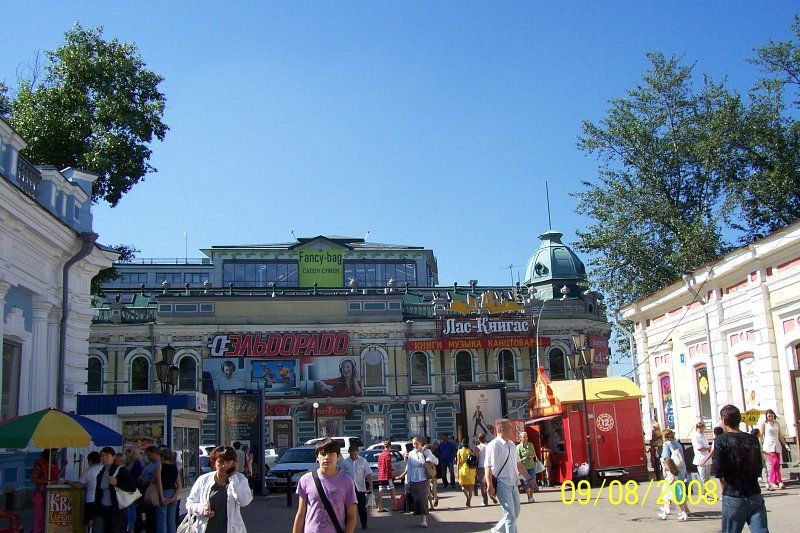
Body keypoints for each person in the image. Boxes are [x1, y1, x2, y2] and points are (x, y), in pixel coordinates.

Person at [715, 404, 768, 533]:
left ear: (724, 421)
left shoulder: (721, 440)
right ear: (739, 420)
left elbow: (719, 471)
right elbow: (758, 466)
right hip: (754, 493)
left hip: (733, 494)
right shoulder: (753, 439)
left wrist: (725, 491)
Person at [293, 438, 357, 533]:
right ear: (317, 457)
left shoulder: (347, 482)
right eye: (323, 454)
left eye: (331, 454)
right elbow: (301, 514)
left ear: (338, 456)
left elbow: (352, 516)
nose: (327, 457)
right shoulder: (305, 480)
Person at [186, 445, 253, 533]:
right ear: (214, 463)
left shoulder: (240, 479)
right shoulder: (203, 480)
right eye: (220, 462)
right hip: (206, 529)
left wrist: (233, 478)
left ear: (234, 463)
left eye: (228, 462)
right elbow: (189, 504)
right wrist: (202, 508)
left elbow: (244, 502)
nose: (224, 465)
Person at [485, 419, 534, 533]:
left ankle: (496, 530)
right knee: (510, 515)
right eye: (510, 427)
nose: (512, 429)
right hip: (502, 484)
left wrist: (529, 479)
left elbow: (519, 464)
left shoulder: (511, 444)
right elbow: (488, 466)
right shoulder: (493, 445)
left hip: (514, 483)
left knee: (515, 512)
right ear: (502, 429)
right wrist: (489, 485)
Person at [396, 437, 439, 528]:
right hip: (413, 479)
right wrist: (408, 481)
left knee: (423, 499)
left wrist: (427, 456)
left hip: (424, 479)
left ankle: (424, 520)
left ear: (420, 443)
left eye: (416, 443)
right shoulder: (411, 453)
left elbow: (436, 461)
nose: (415, 445)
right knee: (417, 499)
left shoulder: (426, 451)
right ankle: (420, 514)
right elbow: (409, 468)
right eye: (413, 444)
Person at [94, 446, 137, 533]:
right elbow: (98, 493)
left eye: (107, 456)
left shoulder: (121, 470)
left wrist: (117, 483)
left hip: (117, 512)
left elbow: (133, 488)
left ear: (113, 457)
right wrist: (93, 513)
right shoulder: (100, 474)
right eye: (102, 456)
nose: (104, 458)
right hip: (102, 510)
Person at [31, 449, 66, 533]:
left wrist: (63, 467)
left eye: (55, 454)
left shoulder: (54, 463)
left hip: (52, 495)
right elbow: (33, 478)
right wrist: (47, 482)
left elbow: (56, 478)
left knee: (50, 518)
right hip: (41, 494)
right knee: (40, 519)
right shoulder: (40, 463)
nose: (55, 455)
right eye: (53, 453)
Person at [339, 445, 372, 530]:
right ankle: (348, 526)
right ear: (349, 453)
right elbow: (341, 476)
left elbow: (368, 473)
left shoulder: (363, 461)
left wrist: (371, 487)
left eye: (355, 454)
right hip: (349, 490)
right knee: (348, 509)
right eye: (352, 454)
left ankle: (364, 524)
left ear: (358, 452)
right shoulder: (345, 462)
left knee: (362, 508)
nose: (354, 456)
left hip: (360, 488)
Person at [69, 451, 103, 533]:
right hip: (102, 500)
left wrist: (66, 481)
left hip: (91, 500)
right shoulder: (104, 469)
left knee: (89, 523)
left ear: (90, 461)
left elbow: (78, 485)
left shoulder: (89, 471)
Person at [758, 409, 789, 490]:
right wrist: (759, 445)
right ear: (766, 417)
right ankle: (777, 481)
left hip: (777, 446)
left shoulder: (777, 424)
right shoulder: (764, 424)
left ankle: (775, 481)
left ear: (774, 416)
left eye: (771, 416)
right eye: (769, 416)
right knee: (774, 463)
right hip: (768, 447)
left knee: (777, 464)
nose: (770, 417)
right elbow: (761, 436)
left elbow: (780, 436)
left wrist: (785, 445)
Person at [157, 449, 182, 533]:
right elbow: (179, 485)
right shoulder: (174, 468)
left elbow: (159, 483)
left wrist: (162, 497)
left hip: (163, 492)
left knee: (162, 520)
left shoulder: (160, 467)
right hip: (173, 493)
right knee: (171, 520)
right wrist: (173, 498)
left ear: (162, 457)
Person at [139, 445, 162, 533]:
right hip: (145, 491)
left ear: (155, 453)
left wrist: (146, 481)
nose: (148, 457)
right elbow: (144, 473)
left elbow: (157, 480)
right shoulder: (150, 463)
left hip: (153, 492)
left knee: (152, 515)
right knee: (148, 514)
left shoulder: (159, 464)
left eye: (149, 455)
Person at [126, 448, 144, 533]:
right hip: (131, 490)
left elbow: (137, 476)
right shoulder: (130, 463)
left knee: (135, 510)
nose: (127, 453)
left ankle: (135, 528)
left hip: (134, 490)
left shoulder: (136, 463)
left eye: (129, 451)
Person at [375, 440, 396, 513]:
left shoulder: (380, 455)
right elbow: (388, 465)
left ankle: (379, 507)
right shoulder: (388, 454)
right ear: (390, 446)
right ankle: (395, 506)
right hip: (387, 475)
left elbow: (379, 465)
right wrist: (392, 471)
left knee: (380, 491)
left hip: (381, 475)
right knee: (392, 489)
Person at [516, 432, 537, 503]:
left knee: (533, 480)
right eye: (524, 437)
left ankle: (531, 496)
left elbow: (534, 454)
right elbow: (517, 459)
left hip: (531, 465)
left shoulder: (530, 445)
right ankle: (529, 496)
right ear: (520, 438)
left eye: (526, 437)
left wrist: (532, 456)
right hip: (524, 467)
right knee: (526, 482)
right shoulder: (518, 447)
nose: (525, 438)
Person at [455, 438, 476, 507]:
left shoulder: (459, 451)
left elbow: (458, 463)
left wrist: (457, 472)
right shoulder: (470, 451)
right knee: (470, 487)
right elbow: (473, 460)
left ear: (462, 444)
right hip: (470, 469)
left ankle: (467, 497)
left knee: (463, 486)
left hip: (463, 469)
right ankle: (469, 500)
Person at [692, 421, 712, 488]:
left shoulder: (703, 436)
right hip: (701, 459)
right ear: (697, 428)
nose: (701, 429)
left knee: (707, 478)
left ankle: (706, 492)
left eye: (702, 428)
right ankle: (702, 491)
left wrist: (709, 449)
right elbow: (699, 448)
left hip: (707, 458)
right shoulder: (695, 436)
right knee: (702, 477)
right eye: (699, 428)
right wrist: (709, 448)